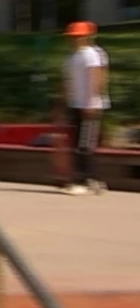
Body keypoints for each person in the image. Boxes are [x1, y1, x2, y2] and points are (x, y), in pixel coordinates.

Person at [62, 21, 107, 196]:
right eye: (73, 37)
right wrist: (65, 103)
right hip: (75, 104)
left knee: (85, 145)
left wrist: (92, 102)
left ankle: (83, 181)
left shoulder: (91, 55)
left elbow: (96, 78)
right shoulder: (71, 57)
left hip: (89, 105)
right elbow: (67, 82)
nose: (75, 40)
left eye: (79, 36)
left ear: (86, 37)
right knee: (78, 145)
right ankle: (92, 180)